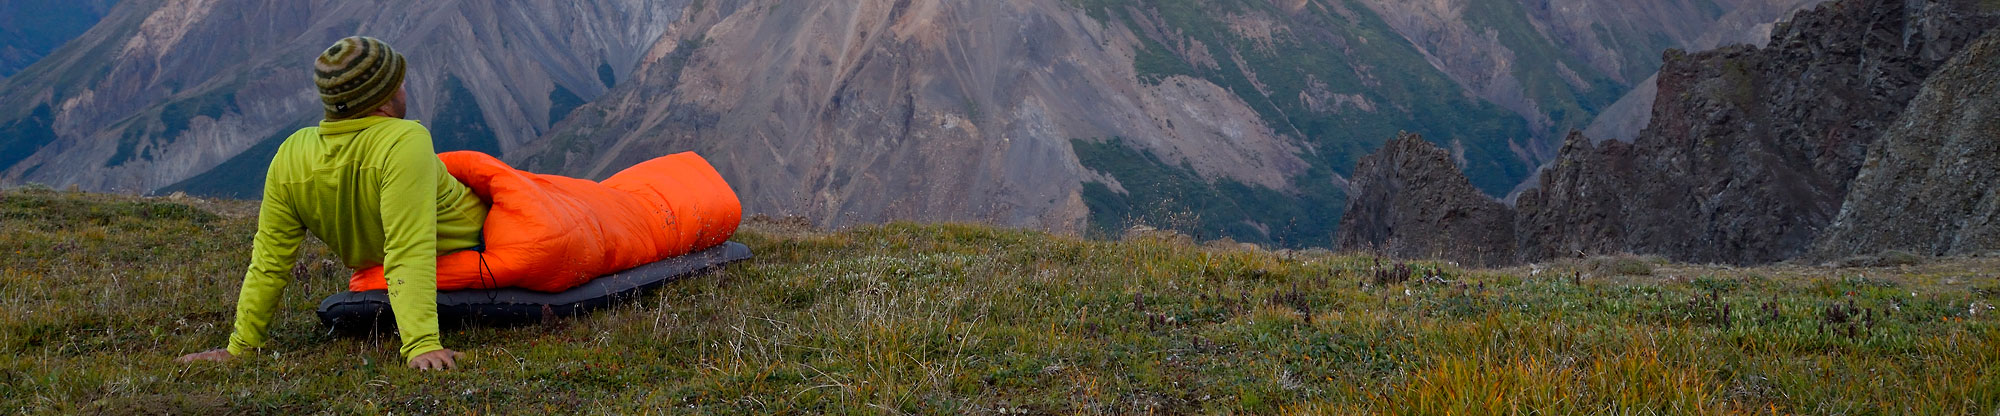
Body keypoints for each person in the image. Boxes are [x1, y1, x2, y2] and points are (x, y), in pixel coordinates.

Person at [177, 36, 480, 370]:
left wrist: (241, 346)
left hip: (386, 267)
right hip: (484, 241)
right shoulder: (404, 140)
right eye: (399, 82)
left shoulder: (291, 154)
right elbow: (409, 249)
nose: (405, 86)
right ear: (381, 98)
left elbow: (269, 262)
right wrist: (421, 344)